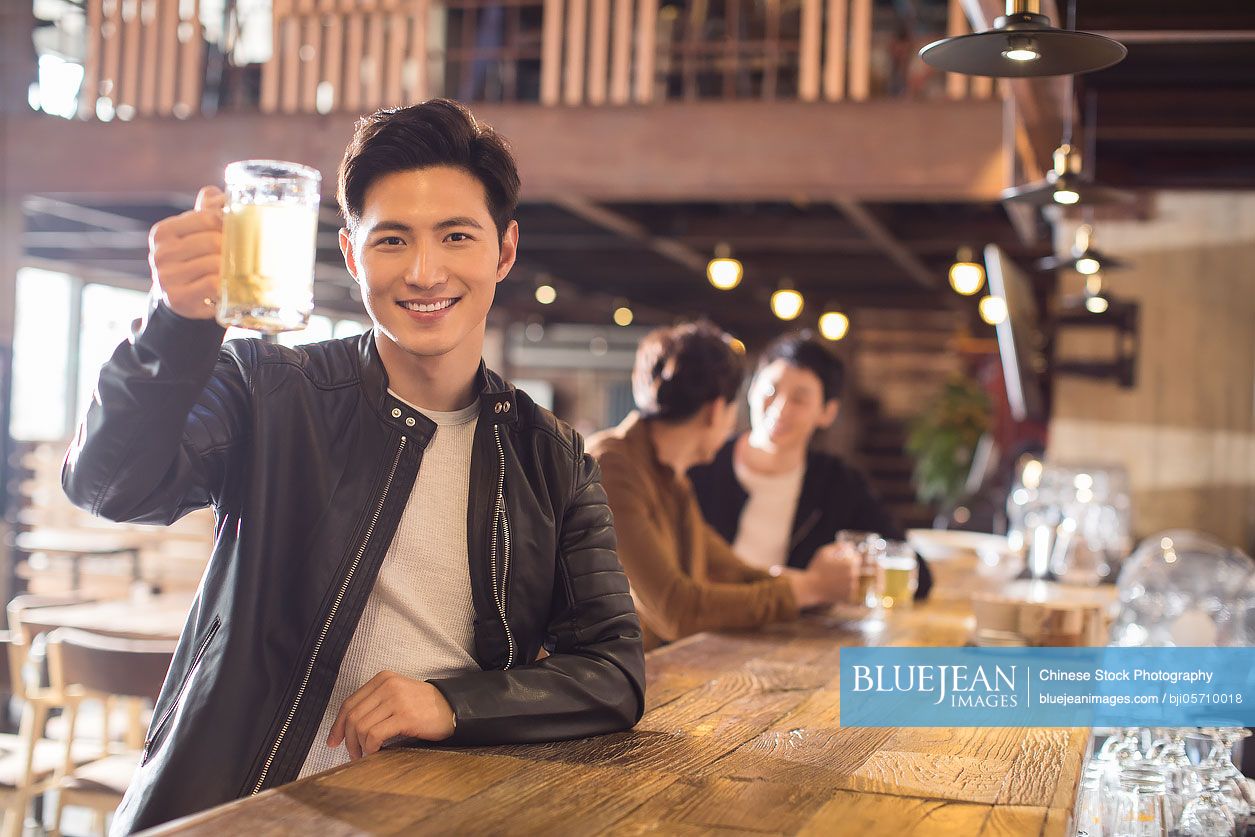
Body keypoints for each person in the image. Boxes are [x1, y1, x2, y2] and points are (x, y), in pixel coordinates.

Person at [62, 99, 645, 833]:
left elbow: (615, 672)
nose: (425, 271)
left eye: (456, 236)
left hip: (432, 813)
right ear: (349, 253)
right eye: (392, 239)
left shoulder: (550, 455)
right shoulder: (269, 388)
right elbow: (112, 485)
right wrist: (173, 324)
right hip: (239, 809)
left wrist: (451, 701)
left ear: (503, 251)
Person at [587, 322, 860, 651]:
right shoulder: (612, 466)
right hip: (595, 682)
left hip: (649, 671)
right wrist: (811, 588)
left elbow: (733, 571)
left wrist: (817, 588)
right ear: (717, 410)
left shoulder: (669, 476)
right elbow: (676, 610)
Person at [689, 332, 932, 597]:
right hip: (702, 624)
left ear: (827, 412)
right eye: (771, 390)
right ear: (751, 388)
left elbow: (917, 572)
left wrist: (845, 568)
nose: (780, 408)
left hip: (790, 632)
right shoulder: (701, 463)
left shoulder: (836, 482)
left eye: (799, 399)